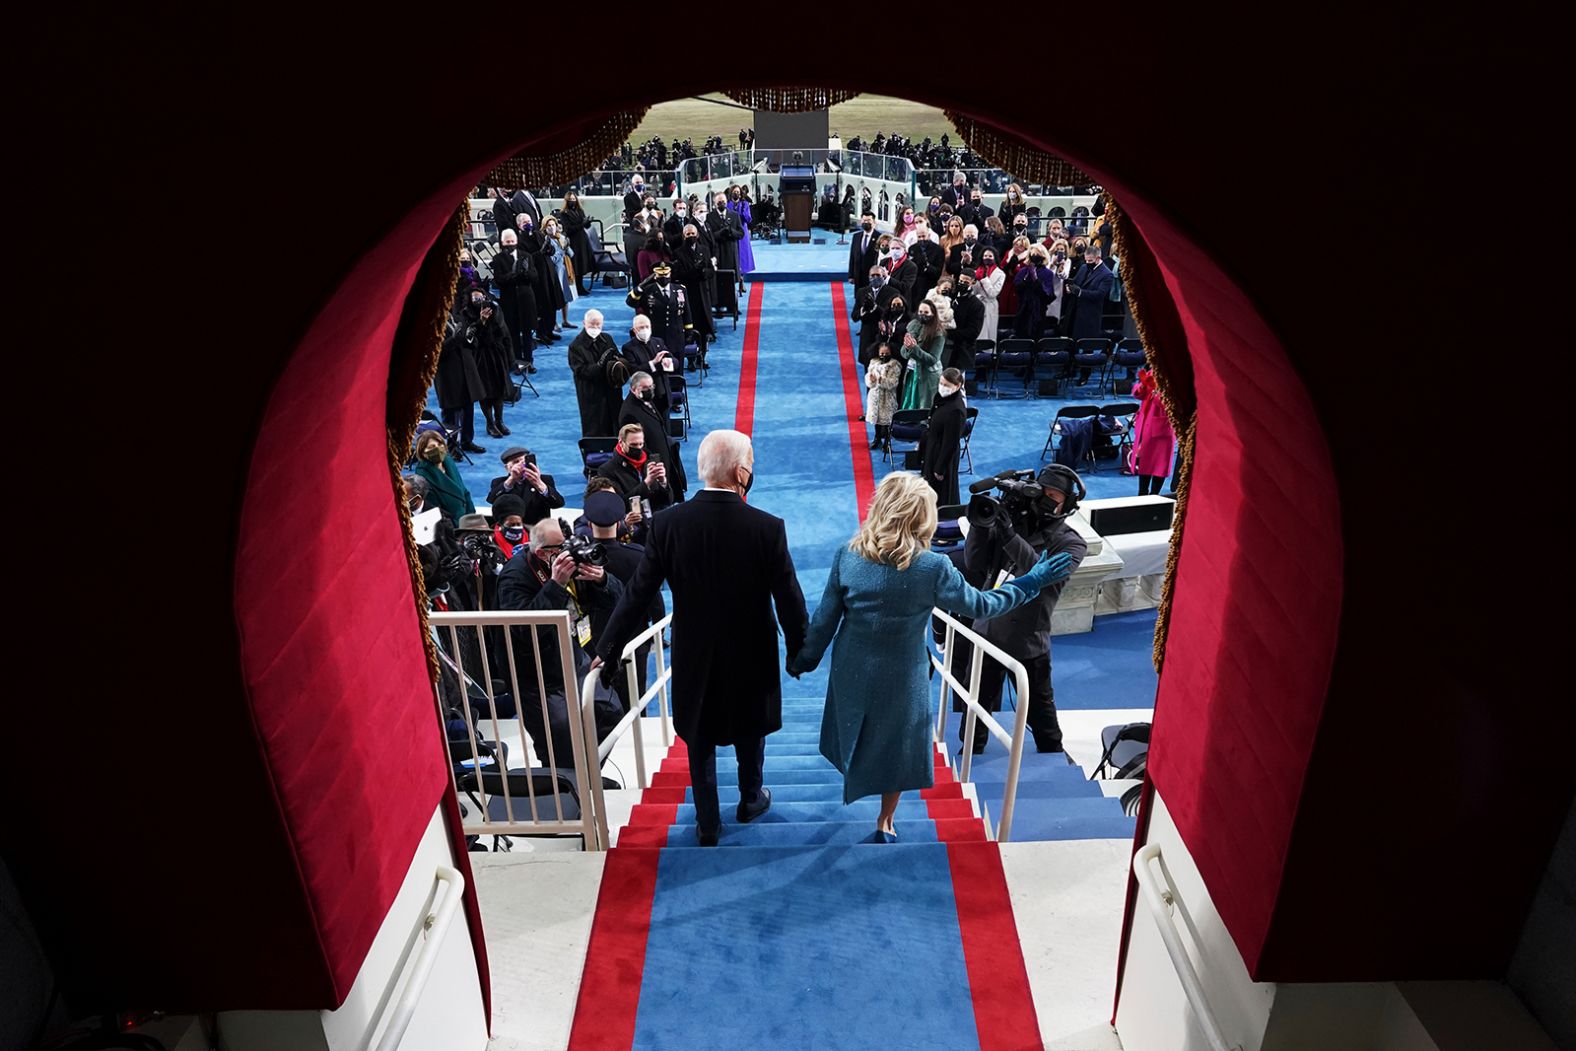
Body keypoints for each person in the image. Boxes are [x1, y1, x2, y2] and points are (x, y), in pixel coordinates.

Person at [786, 473, 1072, 839]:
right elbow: (983, 604)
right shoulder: (932, 567)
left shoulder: (848, 555)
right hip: (903, 674)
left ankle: (856, 777)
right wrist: (1031, 580)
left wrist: (803, 662)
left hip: (851, 667)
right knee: (900, 746)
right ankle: (885, 821)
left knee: (855, 727)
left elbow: (824, 622)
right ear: (922, 516)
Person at [595, 430, 808, 845]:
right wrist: (799, 651)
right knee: (750, 728)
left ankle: (707, 821)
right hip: (752, 651)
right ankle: (751, 797)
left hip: (695, 651)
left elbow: (639, 593)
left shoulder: (669, 524)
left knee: (700, 732)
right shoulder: (767, 527)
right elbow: (790, 599)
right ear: (741, 471)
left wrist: (609, 647)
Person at [957, 465, 1089, 755]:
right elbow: (975, 563)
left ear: (1067, 503)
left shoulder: (1072, 543)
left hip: (1027, 643)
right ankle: (969, 754)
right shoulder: (1014, 523)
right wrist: (982, 526)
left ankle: (1054, 758)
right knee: (975, 708)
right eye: (1043, 492)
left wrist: (1008, 536)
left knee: (1041, 715)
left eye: (1054, 496)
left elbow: (1039, 573)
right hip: (987, 632)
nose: (1045, 500)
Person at [496, 517, 626, 768]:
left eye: (566, 546)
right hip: (537, 674)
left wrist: (601, 580)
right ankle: (566, 790)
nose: (565, 553)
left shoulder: (572, 563)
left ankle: (588, 775)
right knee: (558, 739)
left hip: (575, 655)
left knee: (609, 712)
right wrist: (556, 585)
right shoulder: (515, 575)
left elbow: (619, 598)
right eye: (558, 549)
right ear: (541, 553)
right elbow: (524, 628)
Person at [437, 287, 511, 447]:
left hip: (466, 367)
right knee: (451, 412)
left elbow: (468, 337)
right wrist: (457, 338)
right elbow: (436, 353)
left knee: (468, 408)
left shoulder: (455, 318)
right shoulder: (433, 327)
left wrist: (472, 333)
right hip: (448, 374)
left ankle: (467, 441)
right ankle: (451, 447)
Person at [618, 371, 688, 501]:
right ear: (633, 389)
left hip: (663, 455)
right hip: (651, 464)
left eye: (651, 387)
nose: (649, 391)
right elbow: (636, 445)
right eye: (645, 388)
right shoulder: (629, 412)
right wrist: (652, 462)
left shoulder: (646, 400)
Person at [566, 309, 623, 438]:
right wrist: (600, 365)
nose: (595, 328)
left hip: (611, 391)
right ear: (584, 323)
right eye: (592, 325)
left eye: (598, 325)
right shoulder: (575, 346)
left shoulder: (607, 338)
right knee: (595, 430)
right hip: (591, 395)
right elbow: (582, 372)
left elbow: (617, 357)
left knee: (615, 426)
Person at [597, 422, 673, 511]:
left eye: (641, 444)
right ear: (621, 443)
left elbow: (668, 501)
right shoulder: (607, 470)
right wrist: (646, 483)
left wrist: (663, 482)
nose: (638, 448)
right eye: (633, 445)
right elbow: (620, 505)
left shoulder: (651, 461)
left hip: (655, 516)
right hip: (631, 520)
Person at [491, 229, 537, 372]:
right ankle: (518, 362)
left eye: (512, 241)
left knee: (528, 331)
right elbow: (498, 280)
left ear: (516, 241)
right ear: (503, 243)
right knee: (514, 332)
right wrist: (513, 275)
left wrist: (525, 273)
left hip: (526, 298)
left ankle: (529, 361)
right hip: (509, 300)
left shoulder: (526, 256)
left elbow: (535, 276)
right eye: (507, 242)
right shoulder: (498, 259)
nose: (510, 244)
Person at [920, 368, 967, 504]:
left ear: (957, 386)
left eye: (946, 385)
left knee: (942, 493)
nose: (942, 387)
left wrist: (940, 468)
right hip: (933, 448)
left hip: (942, 457)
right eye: (941, 383)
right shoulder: (942, 398)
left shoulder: (956, 410)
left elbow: (950, 444)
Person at [670, 223, 715, 363]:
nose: (691, 236)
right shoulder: (678, 253)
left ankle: (701, 357)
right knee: (690, 328)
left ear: (698, 235)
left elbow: (711, 270)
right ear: (684, 236)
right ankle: (690, 360)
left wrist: (703, 272)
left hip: (703, 294)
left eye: (693, 234)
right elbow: (678, 275)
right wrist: (695, 271)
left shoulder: (704, 250)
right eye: (688, 234)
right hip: (689, 294)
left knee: (703, 327)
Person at [410, 429, 476, 522]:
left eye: (440, 444)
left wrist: (471, 516)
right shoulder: (423, 477)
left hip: (467, 519)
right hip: (452, 526)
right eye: (432, 447)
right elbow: (437, 511)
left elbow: (464, 491)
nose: (437, 448)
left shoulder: (448, 461)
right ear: (423, 453)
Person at [487, 446, 564, 524]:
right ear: (507, 468)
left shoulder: (545, 480)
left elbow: (558, 503)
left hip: (536, 529)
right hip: (511, 527)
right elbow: (492, 500)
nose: (522, 465)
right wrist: (511, 480)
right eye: (516, 462)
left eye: (524, 461)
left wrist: (538, 483)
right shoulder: (499, 482)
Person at [1130, 368, 1175, 495]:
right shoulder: (1154, 370)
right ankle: (1142, 494)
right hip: (1146, 426)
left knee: (1159, 465)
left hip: (1162, 429)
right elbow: (1138, 393)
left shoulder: (1176, 377)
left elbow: (1173, 405)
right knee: (1144, 463)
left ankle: (1155, 496)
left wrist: (1156, 392)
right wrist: (1143, 386)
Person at [622, 313, 676, 410]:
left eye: (647, 326)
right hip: (644, 396)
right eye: (641, 327)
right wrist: (653, 363)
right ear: (634, 330)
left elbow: (675, 362)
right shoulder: (628, 348)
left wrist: (669, 362)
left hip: (663, 393)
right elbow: (634, 371)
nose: (645, 330)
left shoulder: (658, 342)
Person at [899, 301, 945, 411]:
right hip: (912, 372)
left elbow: (933, 359)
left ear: (933, 314)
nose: (922, 315)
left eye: (926, 312)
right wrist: (908, 347)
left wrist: (914, 349)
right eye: (920, 312)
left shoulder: (938, 333)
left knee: (925, 406)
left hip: (928, 375)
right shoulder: (914, 327)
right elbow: (903, 353)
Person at [853, 262, 900, 365]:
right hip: (867, 335)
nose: (875, 278)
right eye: (872, 275)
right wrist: (862, 311)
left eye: (878, 275)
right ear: (868, 277)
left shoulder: (893, 292)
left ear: (883, 276)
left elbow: (893, 315)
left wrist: (875, 307)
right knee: (868, 368)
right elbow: (854, 316)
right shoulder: (862, 292)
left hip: (883, 336)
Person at [706, 191, 745, 310]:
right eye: (719, 202)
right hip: (717, 252)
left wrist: (731, 231)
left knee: (731, 281)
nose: (721, 204)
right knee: (718, 279)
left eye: (723, 201)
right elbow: (709, 235)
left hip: (731, 252)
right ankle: (718, 304)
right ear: (714, 203)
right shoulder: (709, 216)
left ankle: (732, 306)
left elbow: (741, 233)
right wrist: (720, 233)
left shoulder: (734, 215)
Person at [1013, 244, 1058, 340]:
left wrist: (1036, 279)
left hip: (1039, 311)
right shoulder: (1023, 271)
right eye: (1032, 254)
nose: (1035, 256)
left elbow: (1048, 295)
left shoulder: (1048, 273)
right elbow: (1017, 288)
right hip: (1023, 309)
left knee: (1037, 337)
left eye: (1038, 253)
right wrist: (1025, 280)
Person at [865, 342, 902, 451]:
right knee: (876, 419)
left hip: (887, 398)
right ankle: (877, 438)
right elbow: (868, 379)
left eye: (887, 353)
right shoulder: (873, 363)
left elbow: (894, 383)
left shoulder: (895, 365)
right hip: (875, 396)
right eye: (882, 353)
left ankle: (887, 440)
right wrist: (870, 380)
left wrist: (882, 381)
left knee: (887, 421)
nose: (884, 355)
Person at [540, 215, 575, 329]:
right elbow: (551, 259)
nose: (551, 228)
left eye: (553, 225)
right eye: (549, 226)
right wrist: (562, 250)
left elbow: (571, 254)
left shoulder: (561, 237)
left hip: (564, 271)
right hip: (553, 272)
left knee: (566, 297)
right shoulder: (545, 240)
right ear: (544, 228)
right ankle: (554, 322)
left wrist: (567, 246)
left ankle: (565, 320)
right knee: (555, 299)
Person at [559, 191, 598, 295]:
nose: (572, 201)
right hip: (574, 242)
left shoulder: (580, 210)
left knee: (582, 264)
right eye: (570, 200)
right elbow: (568, 229)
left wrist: (588, 223)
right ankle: (577, 287)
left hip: (582, 240)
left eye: (574, 199)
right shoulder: (563, 213)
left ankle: (580, 286)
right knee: (576, 265)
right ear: (567, 201)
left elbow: (585, 226)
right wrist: (582, 224)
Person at [950, 271, 985, 370]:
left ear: (973, 282)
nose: (962, 283)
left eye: (966, 282)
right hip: (946, 347)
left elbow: (973, 332)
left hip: (963, 349)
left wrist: (949, 333)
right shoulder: (951, 297)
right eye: (960, 280)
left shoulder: (977, 305)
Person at [975, 246, 1005, 346]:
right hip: (978, 304)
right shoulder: (976, 272)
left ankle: (989, 355)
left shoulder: (1000, 274)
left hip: (990, 305)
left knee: (990, 333)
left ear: (995, 257)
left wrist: (984, 279)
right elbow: (973, 291)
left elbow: (993, 293)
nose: (987, 258)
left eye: (990, 256)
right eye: (985, 256)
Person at [726, 185, 754, 283]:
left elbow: (749, 219)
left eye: (738, 192)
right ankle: (735, 276)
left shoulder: (745, 204)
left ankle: (742, 277)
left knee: (743, 254)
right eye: (734, 191)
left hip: (742, 230)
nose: (736, 193)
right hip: (732, 230)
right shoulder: (728, 204)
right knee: (733, 252)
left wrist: (742, 211)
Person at [847, 210, 879, 291]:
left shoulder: (879, 237)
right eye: (864, 220)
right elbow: (852, 256)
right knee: (859, 297)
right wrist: (851, 275)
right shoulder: (856, 236)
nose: (866, 222)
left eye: (868, 220)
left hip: (873, 275)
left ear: (874, 222)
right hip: (858, 275)